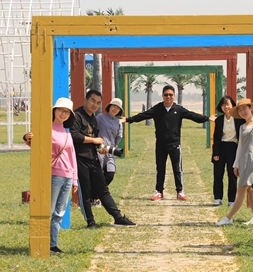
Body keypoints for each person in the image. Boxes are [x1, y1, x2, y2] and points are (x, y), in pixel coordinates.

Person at [124, 85, 216, 201]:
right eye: (166, 95)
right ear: (162, 96)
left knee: (177, 169)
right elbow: (143, 116)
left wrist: (207, 118)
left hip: (174, 145)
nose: (168, 97)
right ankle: (159, 191)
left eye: (170, 95)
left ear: (174, 96)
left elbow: (192, 115)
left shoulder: (179, 109)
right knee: (160, 168)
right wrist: (128, 119)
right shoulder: (157, 109)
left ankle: (180, 191)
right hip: (160, 145)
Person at [70, 90, 136, 228]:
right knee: (86, 192)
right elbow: (74, 136)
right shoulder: (77, 115)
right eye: (93, 101)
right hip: (80, 158)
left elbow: (96, 140)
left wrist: (100, 148)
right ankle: (90, 221)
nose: (95, 104)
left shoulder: (93, 118)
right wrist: (94, 140)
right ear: (86, 99)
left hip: (93, 157)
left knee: (103, 190)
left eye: (98, 102)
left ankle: (118, 217)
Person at [23, 97, 78, 254]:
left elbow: (73, 158)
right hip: (54, 176)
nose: (63, 113)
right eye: (61, 110)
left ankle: (52, 244)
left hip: (68, 177)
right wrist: (27, 137)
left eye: (67, 112)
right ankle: (42, 242)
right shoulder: (47, 128)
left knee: (59, 213)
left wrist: (75, 180)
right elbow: (33, 140)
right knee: (49, 210)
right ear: (55, 111)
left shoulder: (67, 133)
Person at [216, 99, 253, 226]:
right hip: (243, 160)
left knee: (241, 190)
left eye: (245, 108)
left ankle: (228, 217)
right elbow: (240, 146)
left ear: (251, 108)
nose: (242, 112)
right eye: (240, 110)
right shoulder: (242, 127)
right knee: (250, 190)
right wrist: (236, 164)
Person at [211, 96, 244, 207]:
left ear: (233, 105)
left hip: (234, 148)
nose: (226, 107)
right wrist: (215, 153)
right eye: (223, 104)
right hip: (221, 149)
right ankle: (218, 198)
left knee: (232, 175)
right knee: (218, 174)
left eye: (228, 104)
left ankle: (231, 200)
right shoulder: (219, 120)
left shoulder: (239, 119)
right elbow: (216, 137)